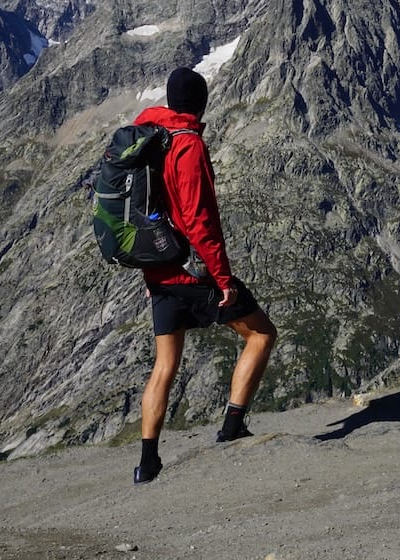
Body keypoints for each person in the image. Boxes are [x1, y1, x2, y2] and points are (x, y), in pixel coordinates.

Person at [132, 67, 277, 485]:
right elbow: (198, 221)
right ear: (200, 102)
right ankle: (232, 427)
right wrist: (223, 278)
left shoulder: (149, 134)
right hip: (191, 269)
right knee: (261, 334)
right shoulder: (188, 144)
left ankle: (147, 463)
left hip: (157, 266)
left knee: (164, 366)